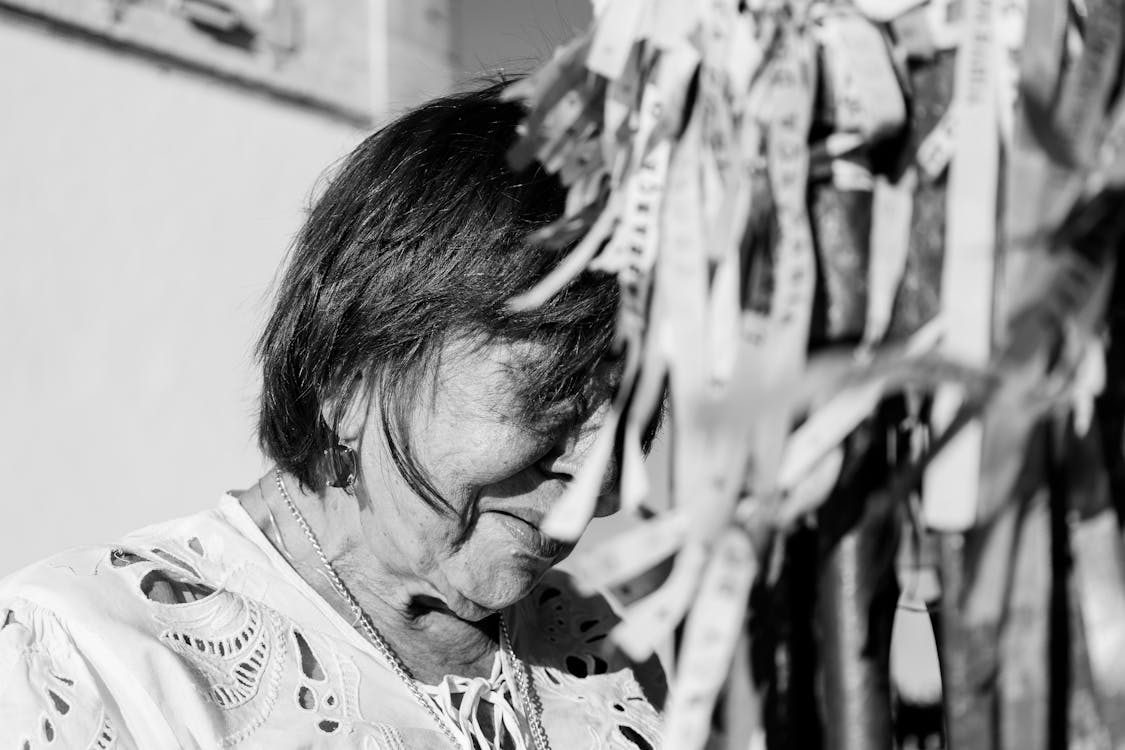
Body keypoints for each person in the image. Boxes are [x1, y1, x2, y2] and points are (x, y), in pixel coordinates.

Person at [0, 82, 665, 749]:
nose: (605, 484)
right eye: (552, 392)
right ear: (351, 374)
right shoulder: (88, 664)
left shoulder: (603, 655)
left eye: (637, 420)